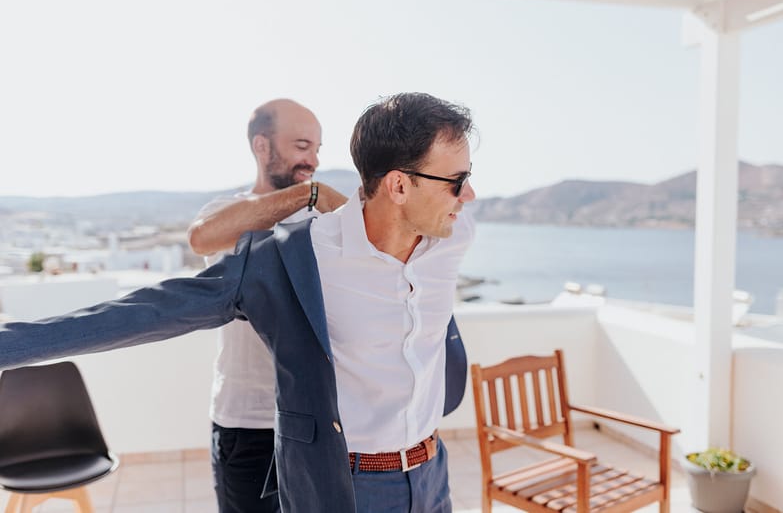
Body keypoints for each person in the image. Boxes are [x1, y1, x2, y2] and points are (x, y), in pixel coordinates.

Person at [0, 92, 476, 513]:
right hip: (342, 483)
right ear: (398, 185)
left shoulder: (455, 234)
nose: (469, 195)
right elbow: (148, 312)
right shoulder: (297, 255)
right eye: (456, 182)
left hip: (432, 473)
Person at [187, 98, 348, 513]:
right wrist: (307, 194)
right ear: (262, 146)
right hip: (248, 425)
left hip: (317, 421)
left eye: (317, 149)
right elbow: (202, 238)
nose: (313, 160)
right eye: (302, 146)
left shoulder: (323, 220)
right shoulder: (225, 212)